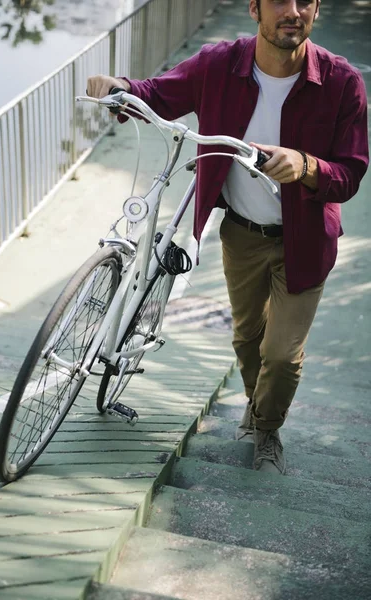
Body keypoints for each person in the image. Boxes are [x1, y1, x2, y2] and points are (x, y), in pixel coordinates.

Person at [86, 0, 369, 475]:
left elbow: (350, 172)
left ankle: (266, 428)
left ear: (317, 10)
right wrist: (119, 87)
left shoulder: (342, 83)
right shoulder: (219, 64)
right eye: (280, 1)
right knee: (247, 338)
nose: (293, 12)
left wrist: (306, 166)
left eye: (305, 2)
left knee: (281, 357)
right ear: (255, 9)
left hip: (306, 241)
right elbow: (158, 93)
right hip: (241, 234)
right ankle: (256, 408)